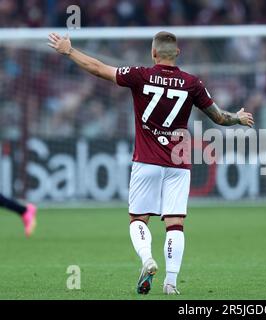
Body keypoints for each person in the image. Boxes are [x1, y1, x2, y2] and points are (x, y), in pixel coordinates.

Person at [47, 31, 254, 295]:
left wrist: (69, 51)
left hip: (146, 161)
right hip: (179, 164)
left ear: (153, 53)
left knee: (138, 219)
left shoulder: (140, 75)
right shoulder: (192, 83)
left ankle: (147, 260)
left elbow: (99, 69)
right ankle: (171, 283)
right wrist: (237, 118)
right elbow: (219, 118)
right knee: (175, 223)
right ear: (177, 53)